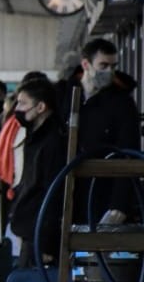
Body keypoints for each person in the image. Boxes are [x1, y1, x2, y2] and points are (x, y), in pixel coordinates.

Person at [58, 38, 141, 224]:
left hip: (103, 191)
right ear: (86, 64)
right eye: (103, 65)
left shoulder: (122, 104)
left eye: (113, 66)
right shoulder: (65, 95)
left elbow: (128, 153)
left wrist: (119, 204)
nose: (109, 72)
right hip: (66, 191)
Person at [7, 78, 66, 267]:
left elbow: (54, 192)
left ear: (40, 107)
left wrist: (46, 243)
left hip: (40, 232)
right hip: (30, 227)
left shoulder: (53, 141)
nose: (18, 108)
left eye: (23, 103)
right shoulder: (35, 136)